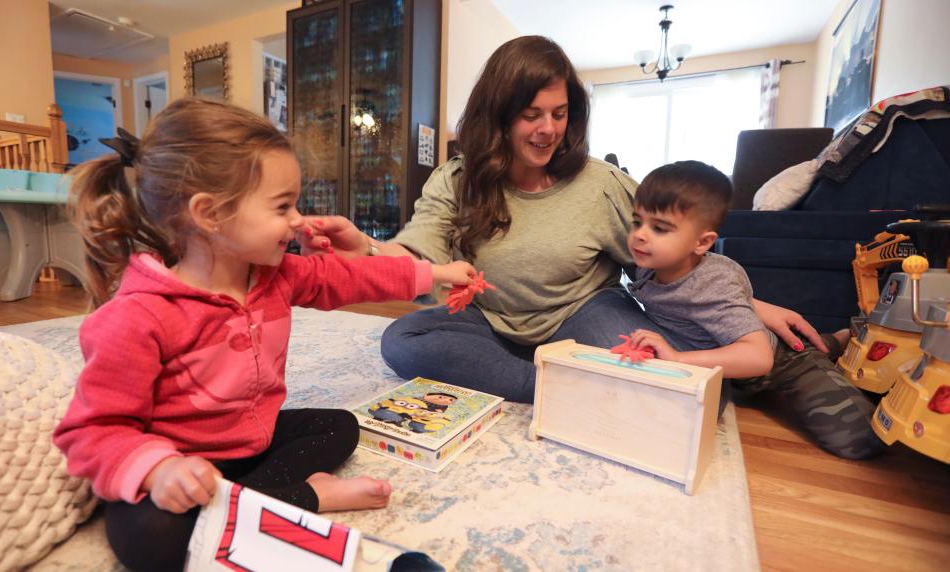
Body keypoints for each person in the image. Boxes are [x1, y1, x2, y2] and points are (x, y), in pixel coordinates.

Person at [52, 98, 476, 571]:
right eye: (282, 206)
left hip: (251, 446)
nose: (298, 220)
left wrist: (435, 272)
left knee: (340, 426)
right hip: (185, 469)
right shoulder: (139, 316)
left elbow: (352, 279)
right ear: (210, 214)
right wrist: (158, 468)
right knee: (149, 537)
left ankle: (257, 504)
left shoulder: (276, 275)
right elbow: (92, 432)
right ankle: (306, 498)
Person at [300, 35, 828, 404]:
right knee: (401, 342)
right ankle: (559, 385)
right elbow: (416, 254)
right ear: (499, 116)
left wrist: (750, 305)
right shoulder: (456, 180)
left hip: (585, 314)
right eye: (532, 114)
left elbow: (672, 257)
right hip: (491, 322)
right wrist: (366, 250)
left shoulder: (600, 183)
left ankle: (577, 374)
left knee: (680, 384)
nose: (548, 129)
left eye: (559, 113)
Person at [622, 160, 884, 459]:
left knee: (860, 440)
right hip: (734, 368)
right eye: (636, 222)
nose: (640, 235)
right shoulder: (648, 264)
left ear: (702, 242)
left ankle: (834, 343)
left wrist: (678, 358)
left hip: (781, 363)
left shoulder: (713, 283)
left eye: (659, 228)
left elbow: (759, 357)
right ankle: (830, 340)